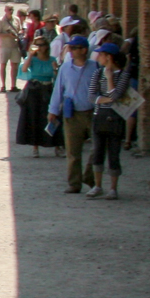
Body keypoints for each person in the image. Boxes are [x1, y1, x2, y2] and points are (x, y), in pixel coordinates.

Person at [47, 36, 101, 194]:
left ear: (84, 50)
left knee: (96, 148)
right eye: (70, 48)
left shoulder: (95, 67)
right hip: (73, 114)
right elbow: (58, 90)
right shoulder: (65, 68)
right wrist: (53, 110)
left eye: (73, 48)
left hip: (92, 112)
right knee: (72, 151)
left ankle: (89, 176)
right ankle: (74, 183)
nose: (70, 50)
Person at [88, 42, 133, 199]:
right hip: (99, 116)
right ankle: (98, 185)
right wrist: (108, 99)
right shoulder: (97, 73)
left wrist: (109, 79)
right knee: (98, 152)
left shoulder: (123, 75)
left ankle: (113, 188)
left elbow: (116, 95)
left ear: (108, 57)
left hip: (116, 118)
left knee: (114, 153)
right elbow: (92, 97)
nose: (98, 57)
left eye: (101, 54)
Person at [14, 38, 58, 156]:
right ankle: (35, 147)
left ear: (46, 46)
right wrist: (30, 55)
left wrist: (55, 68)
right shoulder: (32, 60)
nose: (39, 47)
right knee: (34, 118)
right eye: (36, 45)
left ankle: (57, 146)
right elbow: (23, 69)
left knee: (52, 117)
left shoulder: (52, 60)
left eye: (41, 45)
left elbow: (57, 77)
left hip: (48, 89)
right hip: (34, 90)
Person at [0, 8, 22, 92]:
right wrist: (8, 34)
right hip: (4, 46)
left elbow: (20, 30)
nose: (10, 11)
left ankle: (13, 85)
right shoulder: (0, 20)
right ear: (5, 10)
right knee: (3, 65)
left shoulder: (17, 19)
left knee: (15, 66)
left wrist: (18, 34)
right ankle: (3, 85)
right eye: (9, 9)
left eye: (12, 9)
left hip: (15, 46)